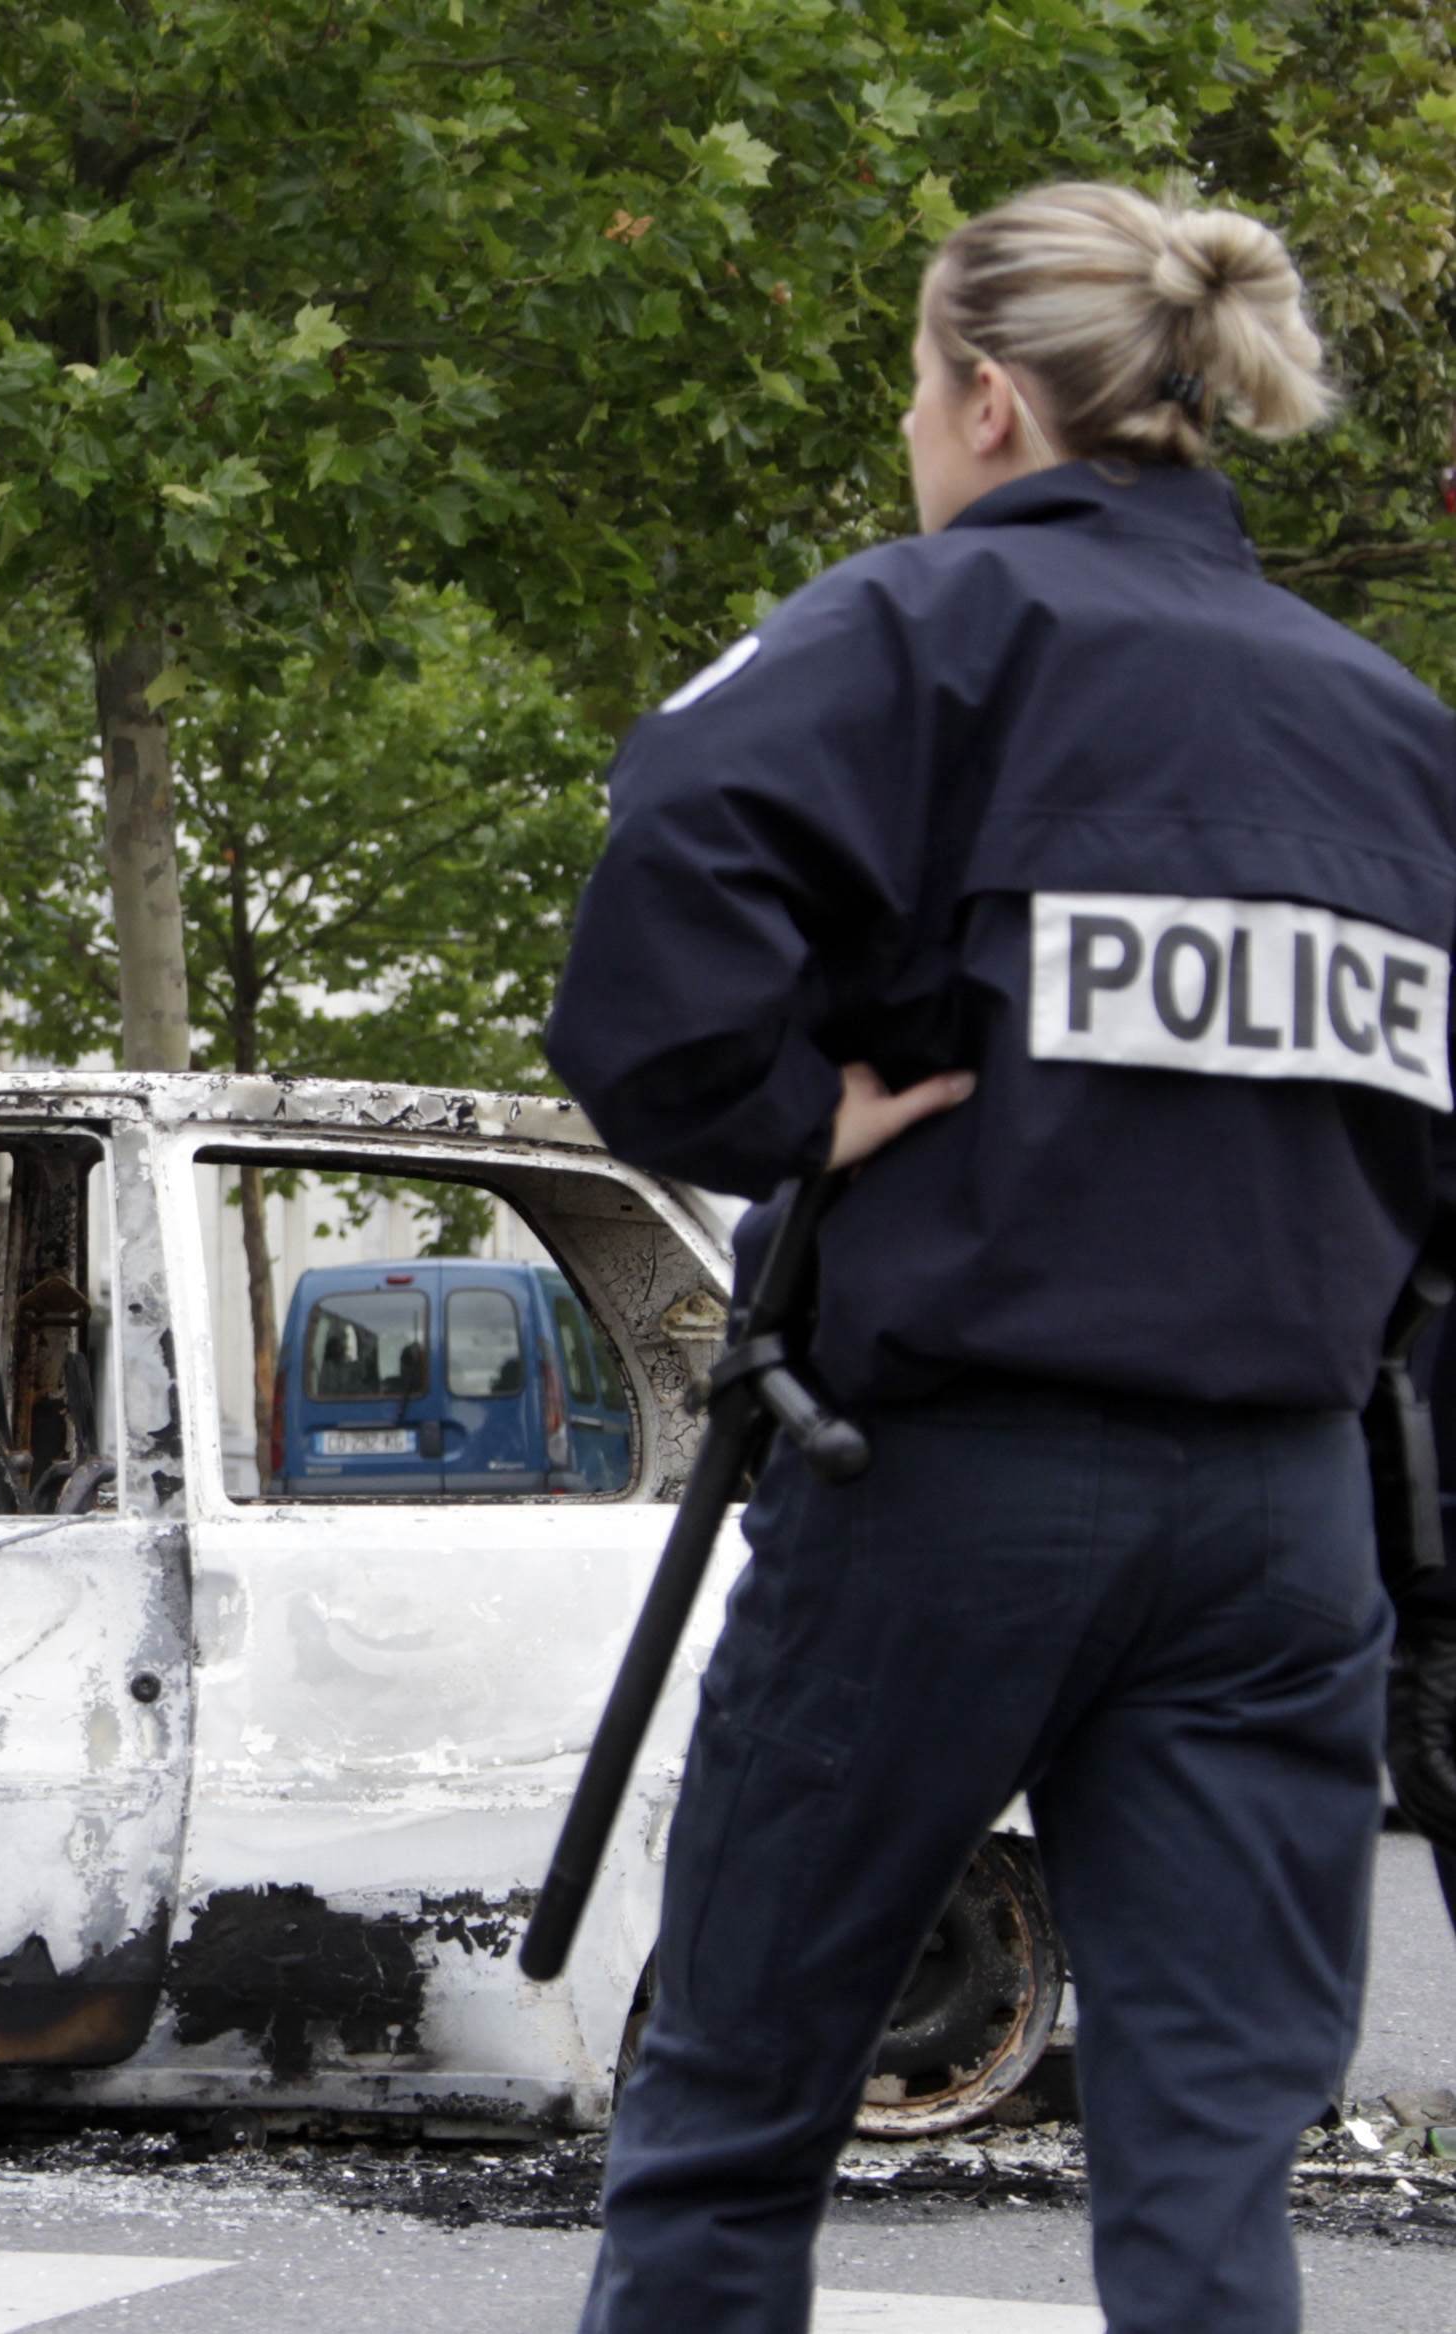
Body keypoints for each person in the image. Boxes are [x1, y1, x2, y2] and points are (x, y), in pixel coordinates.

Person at [544, 184, 1448, 2332]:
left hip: (946, 1479)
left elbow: (661, 909)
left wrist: (790, 1120)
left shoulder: (915, 632)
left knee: (737, 2111)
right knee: (1212, 2157)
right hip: (1278, 1516)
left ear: (980, 397)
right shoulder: (1393, 734)